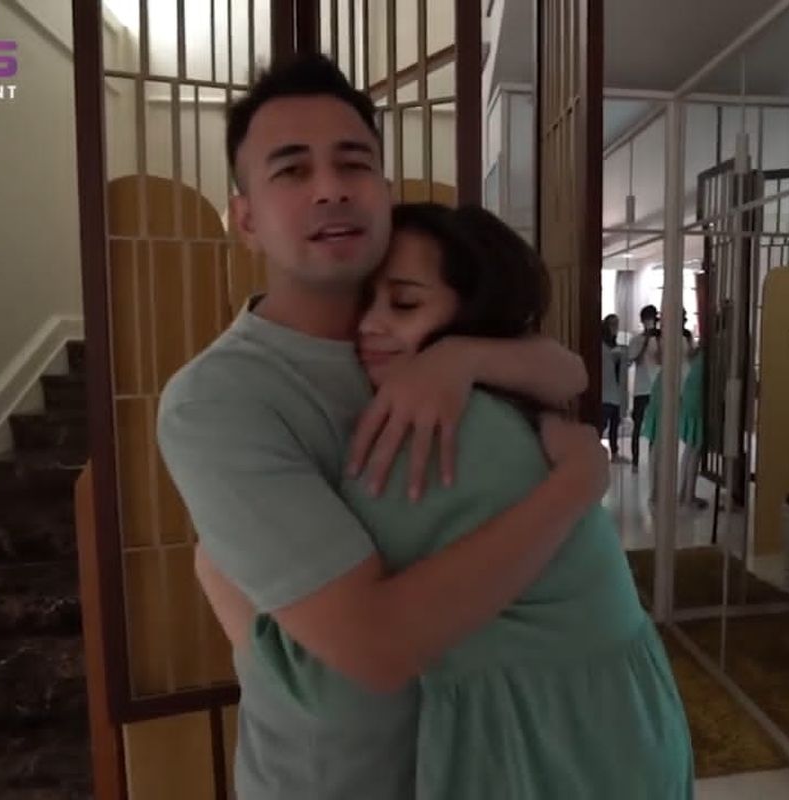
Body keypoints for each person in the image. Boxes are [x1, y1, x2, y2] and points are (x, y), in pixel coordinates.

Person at [157, 54, 606, 799]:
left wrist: (461, 358)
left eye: (354, 163)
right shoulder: (218, 400)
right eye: (292, 170)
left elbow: (567, 370)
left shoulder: (428, 330)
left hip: (484, 761)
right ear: (247, 219)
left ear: (386, 193)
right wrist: (574, 489)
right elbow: (375, 647)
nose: (330, 187)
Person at [197, 202, 695, 798]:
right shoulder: (504, 399)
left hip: (565, 748)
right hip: (623, 723)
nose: (368, 324)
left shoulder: (441, 434)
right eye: (364, 301)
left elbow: (328, 684)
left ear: (472, 313)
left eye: (404, 304)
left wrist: (216, 567)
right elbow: (568, 369)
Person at [644, 328, 707, 511]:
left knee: (661, 445)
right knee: (663, 445)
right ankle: (661, 492)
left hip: (670, 390)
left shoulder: (668, 340)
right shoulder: (673, 340)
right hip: (672, 391)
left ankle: (659, 492)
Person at [627, 304, 662, 471]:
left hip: (656, 388)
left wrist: (658, 341)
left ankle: (653, 458)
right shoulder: (635, 340)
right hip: (641, 389)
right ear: (642, 321)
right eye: (647, 319)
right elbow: (635, 360)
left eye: (652, 319)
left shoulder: (660, 339)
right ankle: (635, 461)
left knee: (655, 426)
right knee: (638, 425)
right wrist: (646, 341)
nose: (650, 322)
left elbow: (661, 360)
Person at [600, 313, 626, 460]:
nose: (615, 328)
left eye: (617, 324)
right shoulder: (601, 346)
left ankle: (614, 452)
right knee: (603, 423)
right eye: (613, 324)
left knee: (615, 424)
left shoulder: (616, 346)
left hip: (615, 390)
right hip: (605, 390)